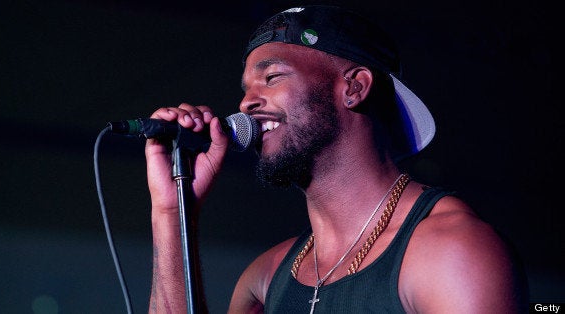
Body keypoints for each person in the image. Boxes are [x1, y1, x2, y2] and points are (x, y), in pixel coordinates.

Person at [145, 4, 528, 313]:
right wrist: (173, 212)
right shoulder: (267, 278)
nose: (247, 102)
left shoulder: (452, 251)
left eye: (273, 77)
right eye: (246, 88)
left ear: (354, 87)